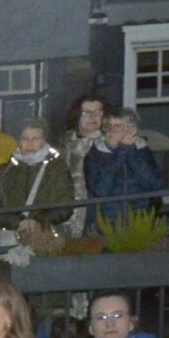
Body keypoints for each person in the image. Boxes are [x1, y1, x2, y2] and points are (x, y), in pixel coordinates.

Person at [0, 123, 75, 244]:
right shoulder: (4, 171)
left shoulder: (57, 168)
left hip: (47, 237)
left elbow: (65, 205)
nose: (29, 143)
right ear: (18, 142)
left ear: (44, 141)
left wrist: (38, 222)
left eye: (35, 138)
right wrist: (17, 223)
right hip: (12, 238)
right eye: (25, 138)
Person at [84, 109, 166, 210]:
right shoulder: (95, 154)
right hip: (109, 220)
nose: (111, 131)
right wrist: (120, 153)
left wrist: (131, 152)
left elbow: (155, 185)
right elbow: (100, 191)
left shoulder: (142, 151)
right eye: (108, 126)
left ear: (131, 131)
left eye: (118, 127)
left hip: (141, 217)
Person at [64, 93, 111, 233]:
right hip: (69, 211)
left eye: (97, 111)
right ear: (77, 116)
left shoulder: (112, 145)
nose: (92, 116)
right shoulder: (63, 148)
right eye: (86, 112)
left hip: (103, 212)